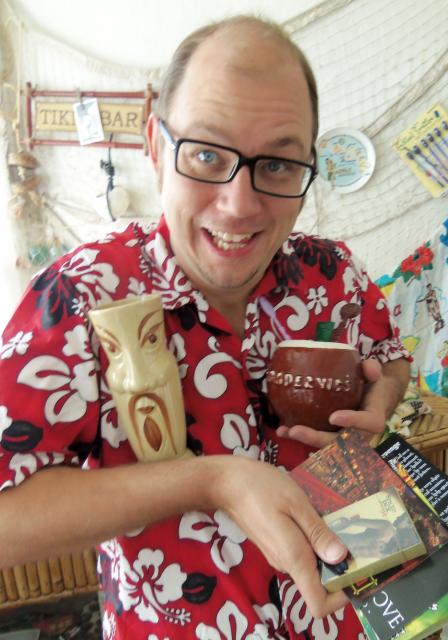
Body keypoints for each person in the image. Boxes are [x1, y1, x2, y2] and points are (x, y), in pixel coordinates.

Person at [0, 15, 411, 640]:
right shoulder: (81, 294)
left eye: (278, 164)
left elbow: (391, 358)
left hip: (353, 616)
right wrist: (210, 480)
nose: (239, 204)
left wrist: (383, 397)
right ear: (156, 146)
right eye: (207, 155)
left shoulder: (335, 273)